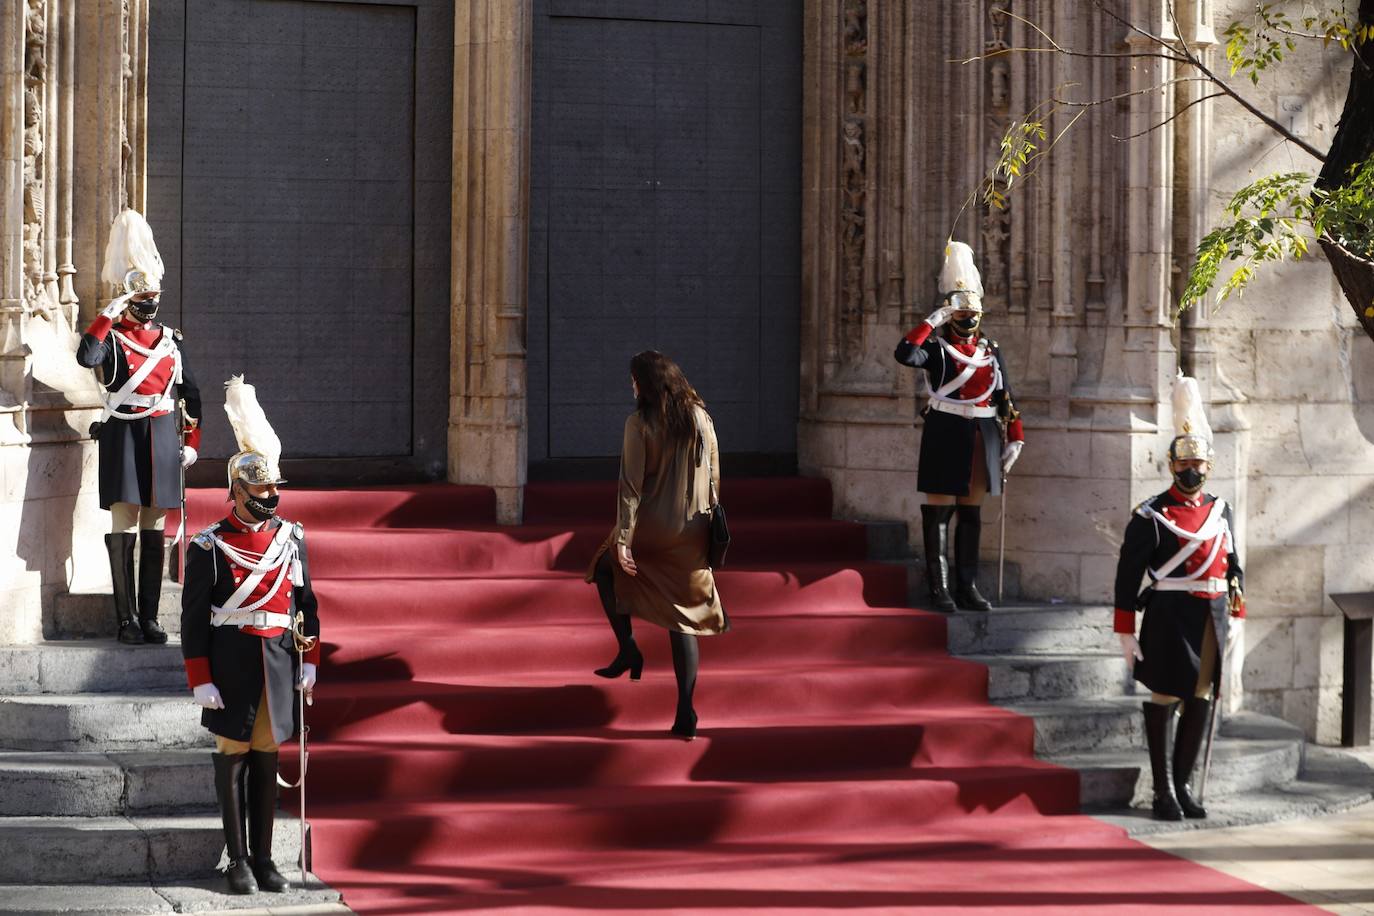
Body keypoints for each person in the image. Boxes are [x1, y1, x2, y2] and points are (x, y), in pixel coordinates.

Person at [182, 376, 320, 895]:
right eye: (260, 490)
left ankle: (265, 859)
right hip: (232, 664)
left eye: (273, 489)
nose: (270, 498)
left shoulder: (293, 538)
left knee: (268, 759)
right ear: (236, 491)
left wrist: (310, 663)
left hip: (279, 660)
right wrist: (200, 677)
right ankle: (236, 860)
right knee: (233, 758)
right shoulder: (207, 546)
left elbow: (305, 605)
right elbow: (194, 620)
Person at [1112, 373, 1245, 821]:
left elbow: (1233, 563)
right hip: (1169, 614)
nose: (1192, 472)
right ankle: (1162, 790)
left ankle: (1184, 784)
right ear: (1171, 467)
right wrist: (1126, 632)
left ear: (1209, 467)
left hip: (1211, 615)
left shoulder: (1221, 510)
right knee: (1166, 697)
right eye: (1183, 465)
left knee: (1201, 699)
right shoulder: (1151, 515)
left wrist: (1237, 607)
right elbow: (1127, 577)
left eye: (1199, 465)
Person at [585, 350, 729, 740]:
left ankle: (628, 647)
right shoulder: (702, 417)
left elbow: (630, 487)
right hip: (692, 532)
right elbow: (715, 475)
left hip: (651, 527)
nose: (631, 386)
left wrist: (624, 539)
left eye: (634, 379)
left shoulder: (640, 423)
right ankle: (686, 711)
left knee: (602, 568)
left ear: (646, 384)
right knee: (683, 620)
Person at [77, 210, 202, 644]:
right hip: (125, 433)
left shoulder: (170, 339)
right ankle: (125, 620)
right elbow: (86, 358)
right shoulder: (111, 338)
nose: (150, 303)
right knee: (124, 524)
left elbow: (190, 394)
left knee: (154, 527)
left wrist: (193, 443)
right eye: (142, 297)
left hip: (163, 435)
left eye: (153, 295)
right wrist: (107, 315)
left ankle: (149, 618)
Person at [893, 241, 1024, 612]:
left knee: (971, 512)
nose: (968, 320)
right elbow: (904, 354)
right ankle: (941, 588)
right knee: (939, 512)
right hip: (945, 431)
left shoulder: (989, 350)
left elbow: (1005, 396)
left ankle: (968, 586)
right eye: (961, 314)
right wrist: (932, 320)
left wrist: (1016, 438)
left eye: (972, 313)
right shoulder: (935, 348)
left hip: (983, 436)